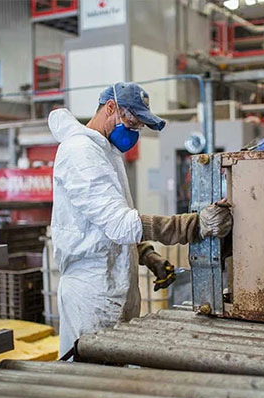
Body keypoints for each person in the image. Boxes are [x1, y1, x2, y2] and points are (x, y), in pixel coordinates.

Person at [49, 82, 233, 359]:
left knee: (115, 375)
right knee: (92, 380)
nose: (134, 132)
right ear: (110, 108)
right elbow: (119, 224)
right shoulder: (80, 153)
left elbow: (106, 224)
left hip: (115, 281)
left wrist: (146, 254)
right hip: (93, 294)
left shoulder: (106, 152)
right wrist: (193, 226)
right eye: (132, 122)